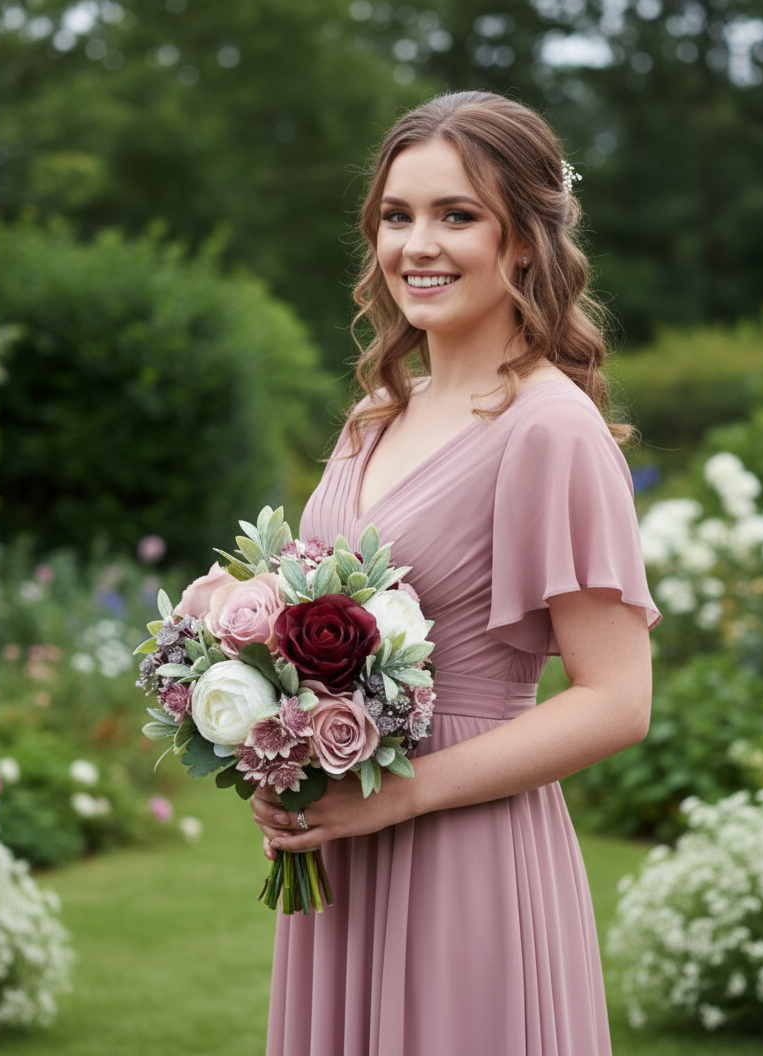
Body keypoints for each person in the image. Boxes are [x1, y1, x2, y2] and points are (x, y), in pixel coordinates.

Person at [249, 90, 660, 1056]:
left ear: (523, 239)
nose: (417, 245)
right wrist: (276, 745)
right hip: (345, 854)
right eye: (398, 216)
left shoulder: (551, 430)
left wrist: (404, 794)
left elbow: (617, 700)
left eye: (456, 215)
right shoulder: (376, 416)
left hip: (467, 850)